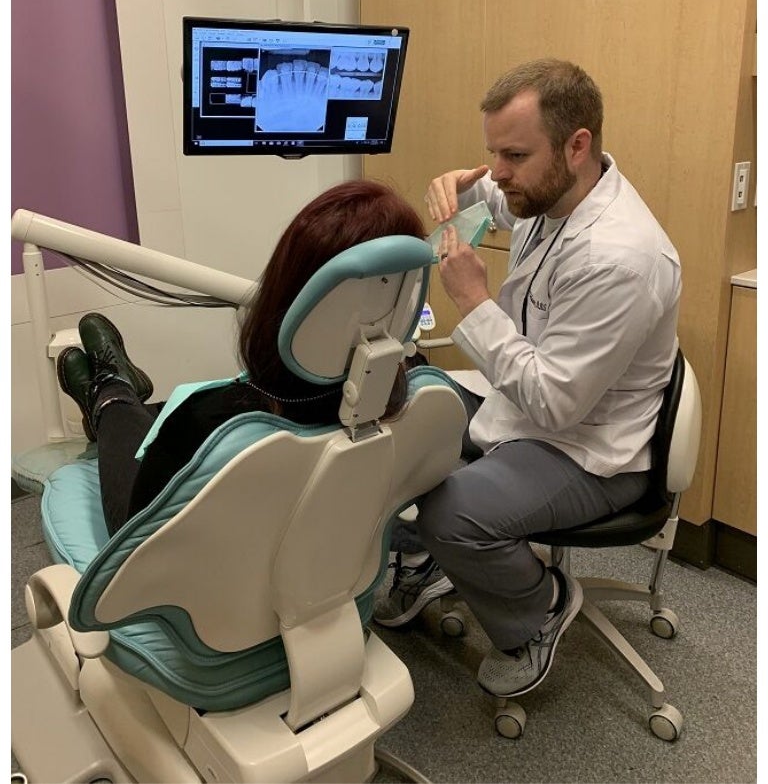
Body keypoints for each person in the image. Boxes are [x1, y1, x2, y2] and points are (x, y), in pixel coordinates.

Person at [374, 58, 681, 700]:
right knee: (397, 407)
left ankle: (537, 611)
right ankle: (425, 561)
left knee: (451, 511)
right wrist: (457, 188)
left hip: (588, 448)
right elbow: (497, 199)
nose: (499, 172)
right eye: (494, 153)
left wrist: (473, 302)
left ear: (577, 146)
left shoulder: (620, 258)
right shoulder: (555, 193)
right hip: (530, 401)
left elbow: (553, 404)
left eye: (513, 155)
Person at [56, 179, 426, 537]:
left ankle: (109, 389)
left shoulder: (208, 424)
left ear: (283, 289)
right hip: (326, 568)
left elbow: (139, 531)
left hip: (192, 572)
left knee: (124, 425)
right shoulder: (417, 398)